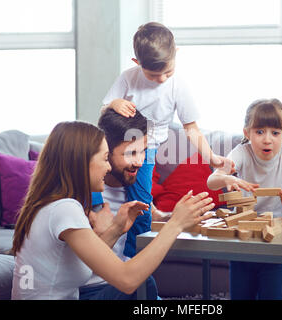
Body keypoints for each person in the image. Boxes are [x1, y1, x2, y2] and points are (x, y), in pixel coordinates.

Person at [11, 121, 214, 300]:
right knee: (143, 284)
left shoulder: (51, 204)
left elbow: (79, 264)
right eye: (105, 158)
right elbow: (128, 280)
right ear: (82, 162)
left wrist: (116, 229)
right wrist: (175, 224)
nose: (108, 168)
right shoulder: (65, 209)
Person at [97, 22, 235, 258]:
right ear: (137, 63)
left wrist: (211, 157)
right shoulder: (128, 78)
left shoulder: (178, 85)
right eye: (153, 74)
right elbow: (103, 112)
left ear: (176, 54)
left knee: (139, 202)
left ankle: (133, 256)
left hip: (146, 149)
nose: (161, 79)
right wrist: (112, 104)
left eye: (167, 72)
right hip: (115, 146)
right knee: (106, 195)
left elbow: (191, 128)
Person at [207, 98, 282, 300]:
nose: (267, 139)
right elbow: (211, 182)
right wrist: (226, 177)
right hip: (244, 235)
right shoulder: (241, 152)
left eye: (275, 133)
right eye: (259, 132)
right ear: (247, 133)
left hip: (277, 238)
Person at [80, 109, 160, 300]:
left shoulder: (132, 186)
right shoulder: (81, 191)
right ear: (106, 150)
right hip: (88, 289)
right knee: (144, 283)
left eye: (143, 152)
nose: (139, 161)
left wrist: (174, 217)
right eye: (131, 153)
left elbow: (149, 213)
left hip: (117, 282)